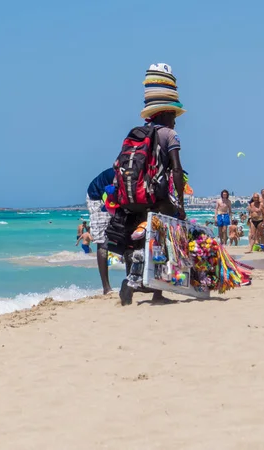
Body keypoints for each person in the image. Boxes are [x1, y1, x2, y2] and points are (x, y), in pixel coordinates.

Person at [118, 63, 187, 306]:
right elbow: (176, 169)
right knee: (164, 239)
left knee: (139, 239)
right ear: (166, 113)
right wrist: (180, 203)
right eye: (174, 116)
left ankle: (130, 282)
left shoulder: (139, 132)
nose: (176, 121)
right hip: (157, 198)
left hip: (135, 197)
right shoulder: (170, 135)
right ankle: (158, 292)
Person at [86, 167, 115, 294]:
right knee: (103, 242)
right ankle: (106, 288)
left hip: (113, 196)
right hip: (97, 197)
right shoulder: (121, 174)